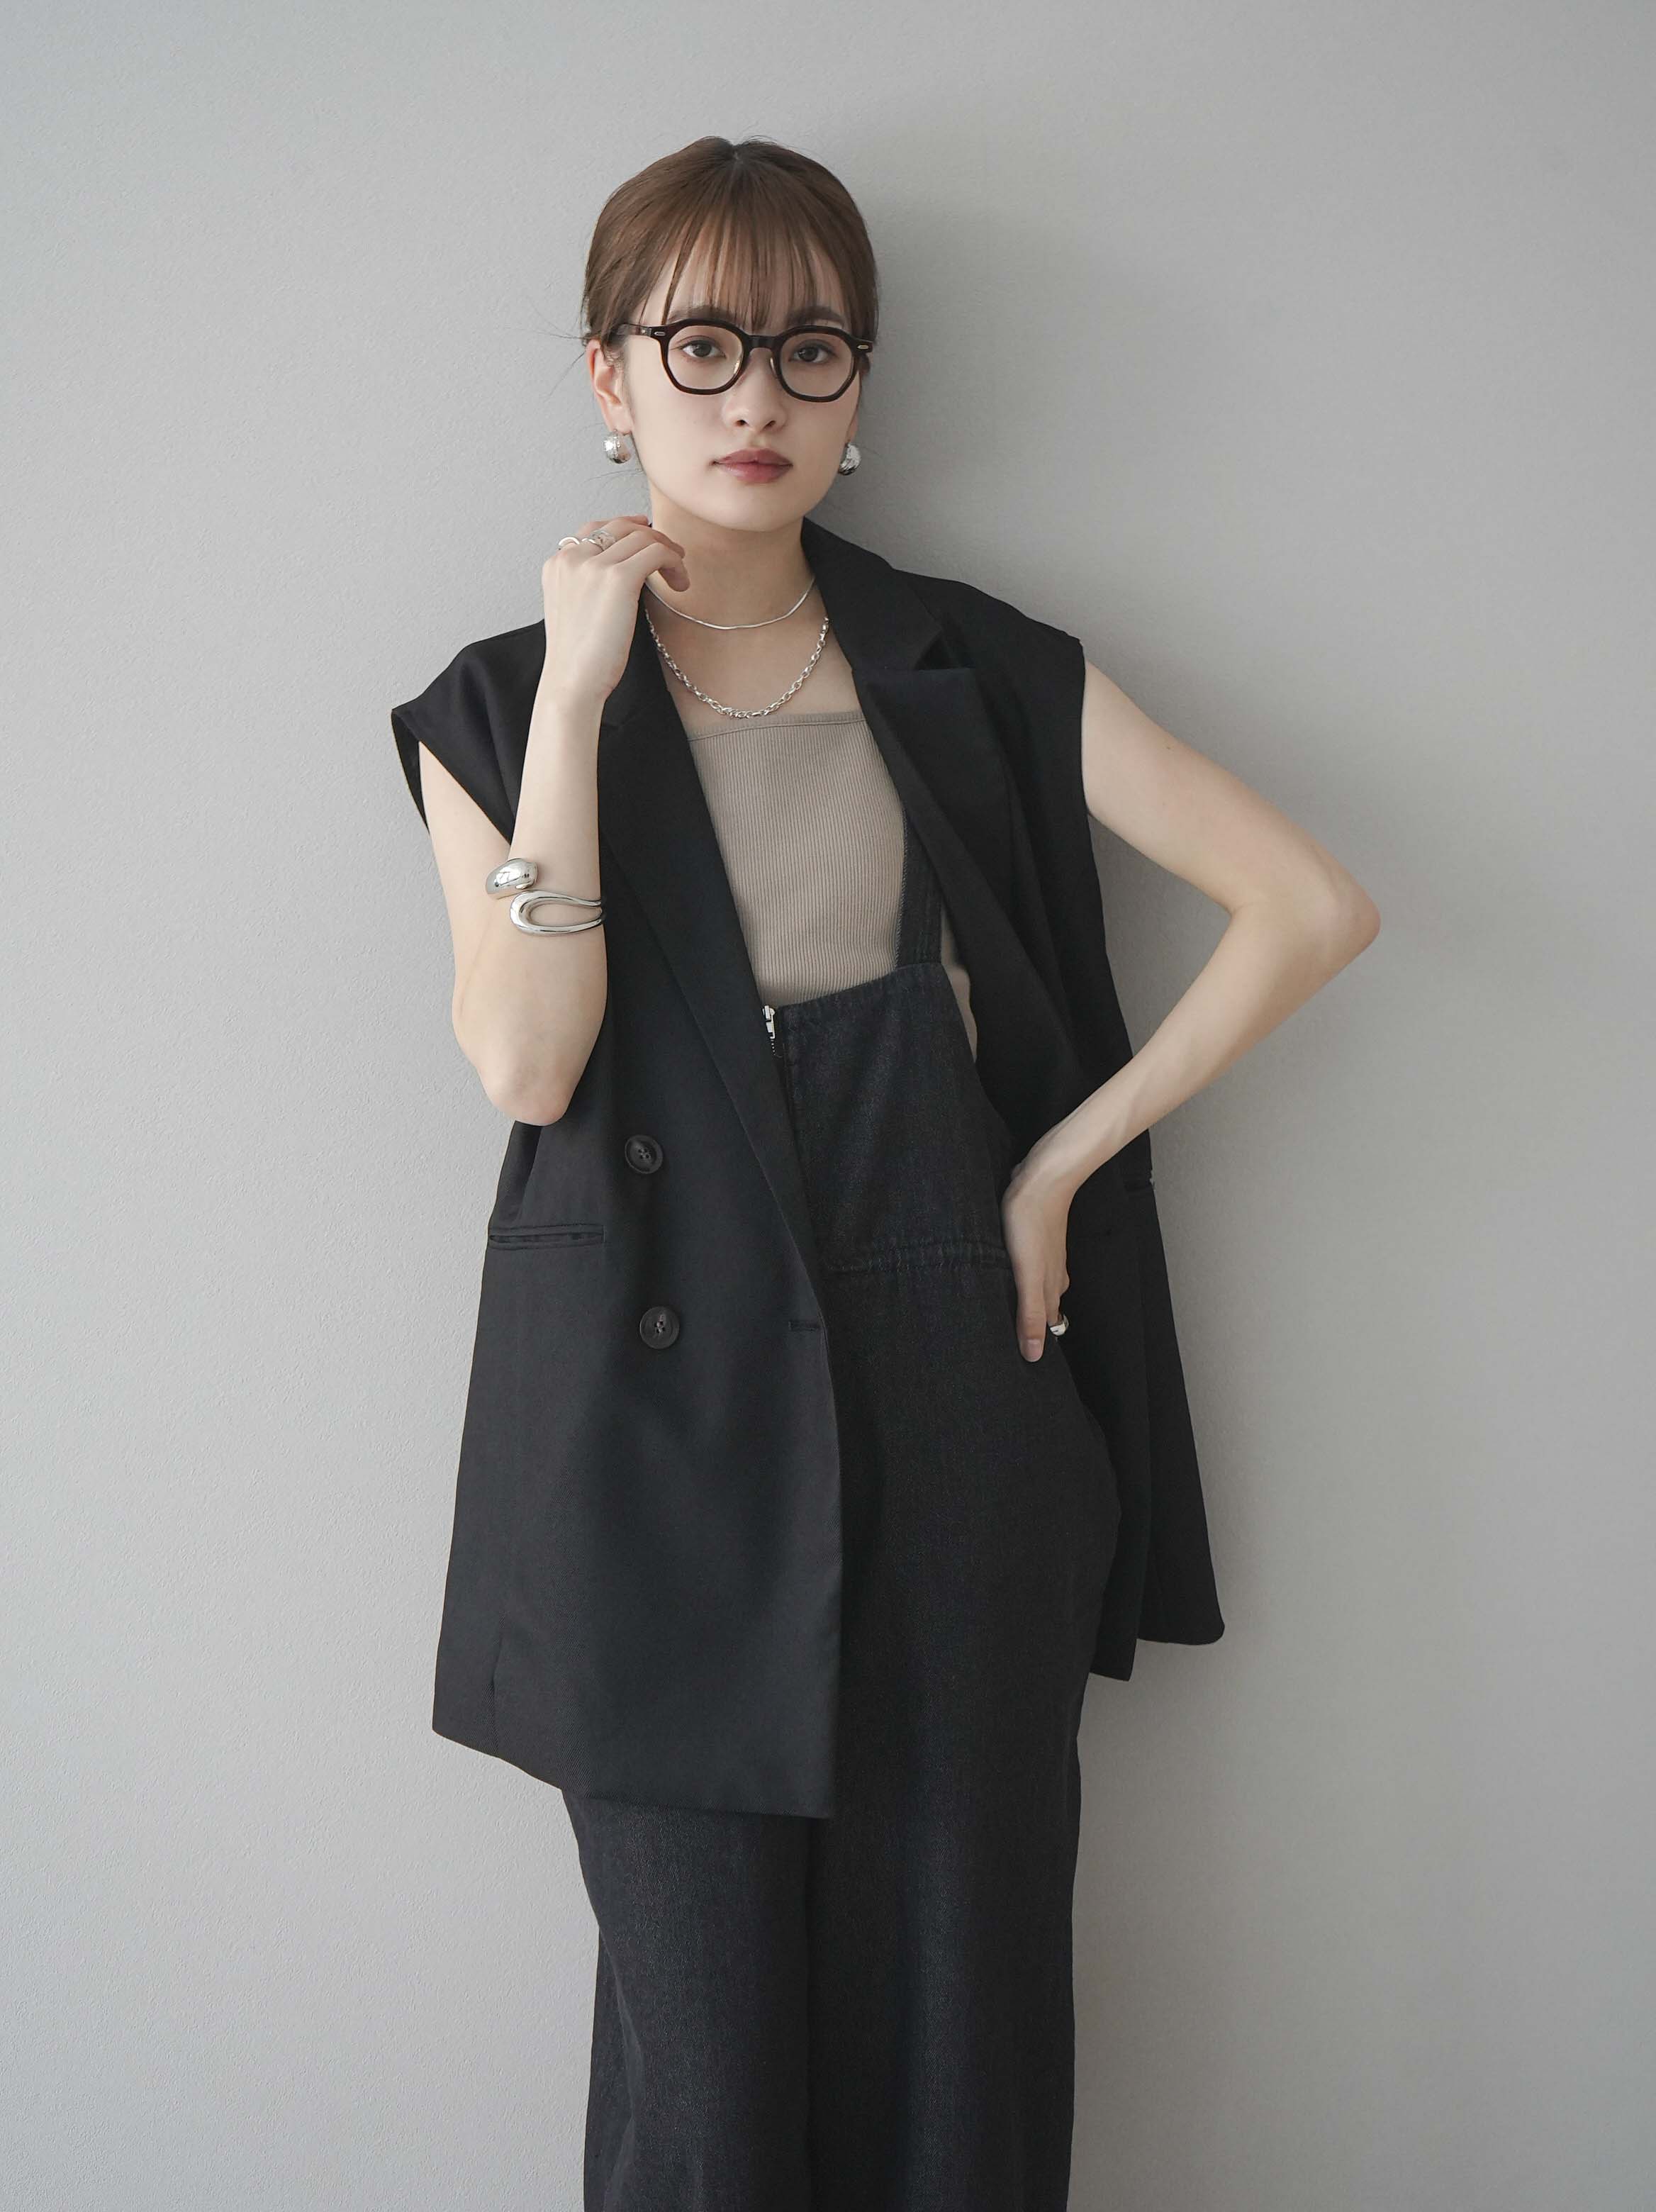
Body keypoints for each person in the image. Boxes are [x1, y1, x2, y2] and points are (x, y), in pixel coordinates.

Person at [392, 133, 1379, 2212]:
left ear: (861, 389)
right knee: (703, 2074)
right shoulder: (495, 709)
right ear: (610, 375)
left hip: (956, 1396)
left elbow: (1308, 906)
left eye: (811, 348)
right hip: (655, 1439)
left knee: (964, 2036)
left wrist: (1055, 1171)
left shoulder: (974, 667)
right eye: (703, 344)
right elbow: (527, 1060)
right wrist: (576, 694)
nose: (756, 395)